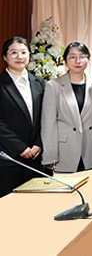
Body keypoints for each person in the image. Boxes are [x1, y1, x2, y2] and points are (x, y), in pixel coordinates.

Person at [41, 42, 92, 172]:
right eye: (72, 57)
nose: (78, 61)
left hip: (90, 149)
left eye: (82, 56)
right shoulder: (53, 86)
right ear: (66, 61)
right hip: (64, 152)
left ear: (88, 59)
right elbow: (48, 124)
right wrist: (50, 156)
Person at [0, 37, 45, 197]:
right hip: (8, 157)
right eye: (14, 53)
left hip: (34, 155)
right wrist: (20, 148)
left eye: (23, 52)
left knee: (33, 203)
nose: (19, 57)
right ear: (5, 57)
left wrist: (39, 143)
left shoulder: (38, 82)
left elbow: (44, 118)